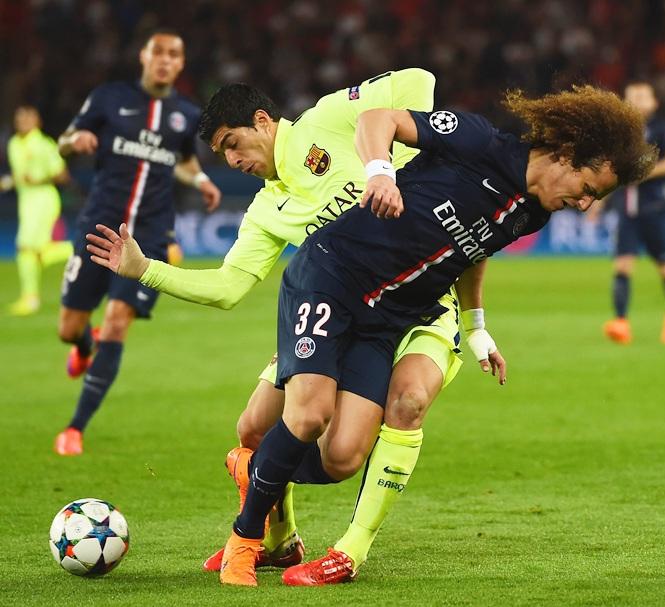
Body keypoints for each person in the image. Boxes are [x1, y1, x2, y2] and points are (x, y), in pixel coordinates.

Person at [205, 84, 652, 586]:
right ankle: (244, 541)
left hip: (387, 316)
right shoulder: (480, 141)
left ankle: (257, 469)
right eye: (590, 188)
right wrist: (380, 173)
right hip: (334, 275)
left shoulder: (535, 210)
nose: (586, 205)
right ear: (568, 154)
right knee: (308, 415)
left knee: (344, 455)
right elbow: (379, 118)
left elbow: (472, 251)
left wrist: (476, 326)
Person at [84, 70, 503, 572]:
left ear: (263, 121)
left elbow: (419, 79)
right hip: (343, 315)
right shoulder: (265, 211)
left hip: (422, 305)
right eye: (223, 155)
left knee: (397, 411)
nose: (234, 161)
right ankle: (281, 541)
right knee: (254, 428)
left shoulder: (328, 118)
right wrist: (144, 269)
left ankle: (351, 549)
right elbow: (228, 287)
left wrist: (398, 164)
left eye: (234, 145)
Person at [53, 29, 221, 456]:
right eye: (158, 52)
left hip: (146, 236)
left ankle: (75, 428)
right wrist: (78, 142)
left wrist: (200, 178)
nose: (165, 60)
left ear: (181, 64)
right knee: (68, 328)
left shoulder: (185, 113)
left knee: (117, 319)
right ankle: (84, 345)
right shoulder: (108, 98)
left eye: (174, 55)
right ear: (144, 56)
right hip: (97, 228)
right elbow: (64, 142)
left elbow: (182, 161)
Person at [596, 81, 665, 344]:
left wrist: (643, 173)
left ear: (654, 102)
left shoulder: (662, 129)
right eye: (632, 96)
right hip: (626, 210)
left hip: (655, 207)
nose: (637, 101)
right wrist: (597, 201)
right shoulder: (619, 135)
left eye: (642, 96)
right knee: (622, 265)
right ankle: (621, 322)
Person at [1, 105, 72, 316]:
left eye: (27, 118)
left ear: (37, 121)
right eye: (19, 118)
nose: (22, 122)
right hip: (26, 201)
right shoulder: (13, 144)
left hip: (43, 199)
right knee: (34, 252)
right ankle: (77, 249)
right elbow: (19, 175)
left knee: (25, 248)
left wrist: (39, 178)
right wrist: (6, 182)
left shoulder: (44, 144)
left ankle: (30, 298)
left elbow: (63, 175)